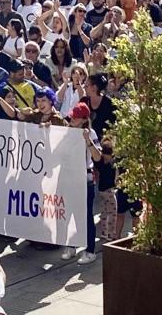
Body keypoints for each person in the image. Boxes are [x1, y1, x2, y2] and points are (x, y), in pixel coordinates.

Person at [60, 103, 101, 265]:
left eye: (76, 117)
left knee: (86, 216)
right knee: (69, 214)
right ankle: (71, 245)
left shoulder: (90, 133)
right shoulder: (66, 132)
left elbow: (97, 158)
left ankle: (90, 250)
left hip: (85, 180)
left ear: (84, 120)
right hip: (69, 179)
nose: (72, 119)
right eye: (72, 116)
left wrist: (88, 141)